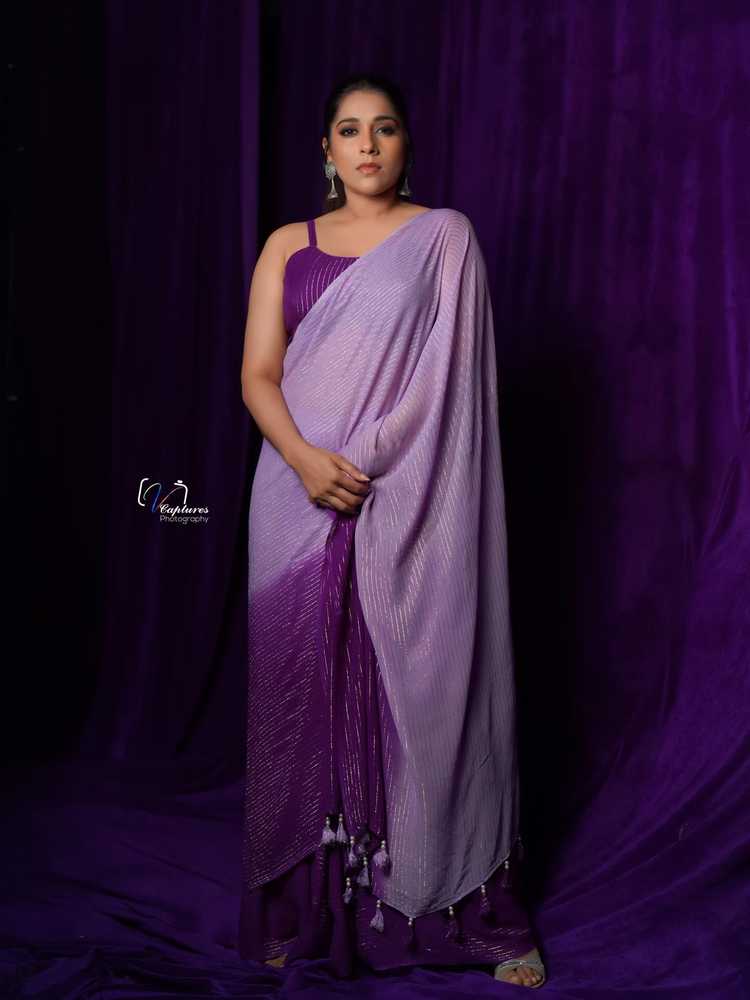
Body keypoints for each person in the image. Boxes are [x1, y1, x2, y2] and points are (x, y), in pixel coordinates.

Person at [237, 72, 546, 989]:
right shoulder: (288, 245)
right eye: (349, 130)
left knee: (420, 694)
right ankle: (302, 915)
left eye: (384, 128)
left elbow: (452, 384)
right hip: (295, 502)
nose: (367, 144)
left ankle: (456, 912)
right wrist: (306, 461)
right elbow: (259, 375)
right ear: (327, 151)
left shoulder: (444, 237)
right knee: (301, 707)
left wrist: (365, 458)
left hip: (407, 497)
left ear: (406, 144)